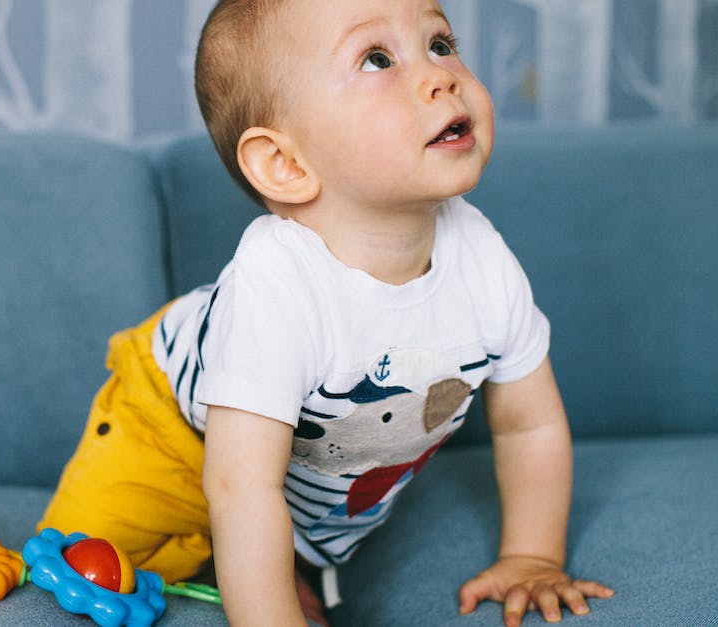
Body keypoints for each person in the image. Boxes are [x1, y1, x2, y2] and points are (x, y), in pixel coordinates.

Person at [39, 1, 615, 625]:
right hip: (168, 426)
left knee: (266, 536)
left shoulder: (482, 259)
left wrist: (531, 555)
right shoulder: (277, 284)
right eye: (377, 58)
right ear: (286, 164)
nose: (441, 75)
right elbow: (242, 487)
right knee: (84, 567)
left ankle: (288, 561)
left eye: (440, 42)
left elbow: (528, 426)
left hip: (307, 479)